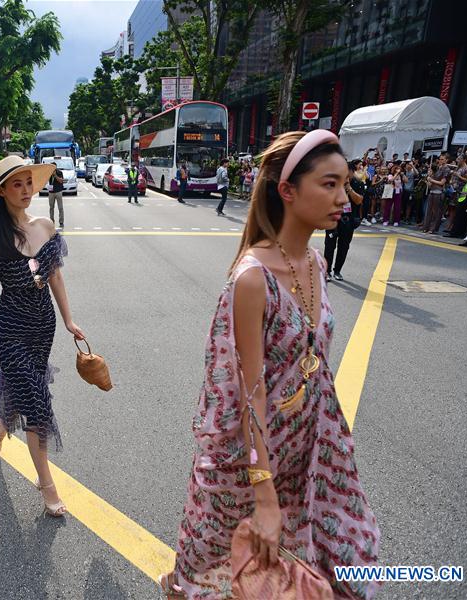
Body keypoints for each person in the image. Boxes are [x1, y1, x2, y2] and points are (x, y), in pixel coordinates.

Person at [160, 130, 380, 600]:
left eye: (346, 184)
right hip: (247, 461)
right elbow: (249, 389)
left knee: (325, 560)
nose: (344, 198)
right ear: (287, 190)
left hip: (309, 446)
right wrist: (265, 496)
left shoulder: (317, 263)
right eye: (329, 184)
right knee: (207, 562)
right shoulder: (253, 278)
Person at [0, 155, 85, 518]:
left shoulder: (46, 227)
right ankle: (47, 484)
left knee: (25, 390)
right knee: (37, 399)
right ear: (2, 191)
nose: (25, 190)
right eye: (16, 184)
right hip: (9, 329)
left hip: (43, 326)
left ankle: (1, 425)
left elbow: (55, 277)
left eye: (28, 183)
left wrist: (69, 320)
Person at [324, 160, 364, 282]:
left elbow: (359, 200)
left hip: (349, 220)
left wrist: (348, 188)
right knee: (329, 246)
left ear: (352, 172)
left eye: (347, 172)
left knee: (344, 246)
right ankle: (327, 271)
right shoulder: (333, 183)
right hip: (333, 218)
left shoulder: (357, 183)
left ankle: (337, 271)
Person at [423, 154, 450, 234]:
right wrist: (429, 180)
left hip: (439, 192)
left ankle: (433, 228)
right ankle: (426, 227)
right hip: (432, 191)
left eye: (442, 159)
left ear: (446, 160)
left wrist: (431, 180)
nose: (440, 160)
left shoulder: (446, 169)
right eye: (440, 159)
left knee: (436, 212)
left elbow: (442, 183)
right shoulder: (438, 168)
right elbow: (431, 183)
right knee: (429, 211)